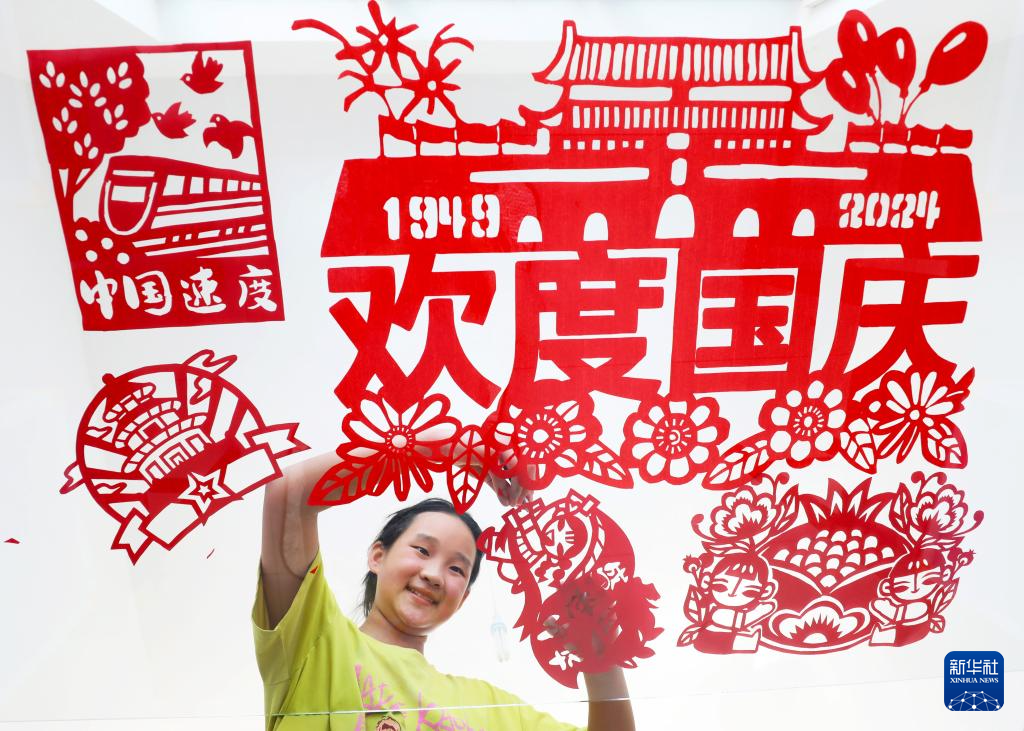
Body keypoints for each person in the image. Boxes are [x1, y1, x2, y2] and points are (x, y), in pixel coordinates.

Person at [255, 453, 636, 730]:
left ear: (463, 598)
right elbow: (288, 493)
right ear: (377, 556)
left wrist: (601, 659)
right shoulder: (314, 643)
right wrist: (451, 448)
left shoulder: (490, 708)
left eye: (457, 569)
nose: (435, 575)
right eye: (422, 550)